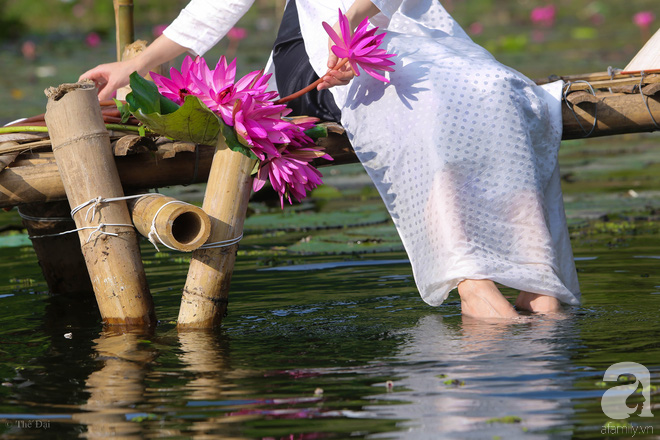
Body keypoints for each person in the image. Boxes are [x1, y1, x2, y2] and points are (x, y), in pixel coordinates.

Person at [80, 0, 581, 320]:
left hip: (413, 37)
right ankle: (473, 282)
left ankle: (535, 279)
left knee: (500, 91)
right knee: (422, 107)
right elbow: (217, 5)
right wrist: (134, 66)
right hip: (323, 49)